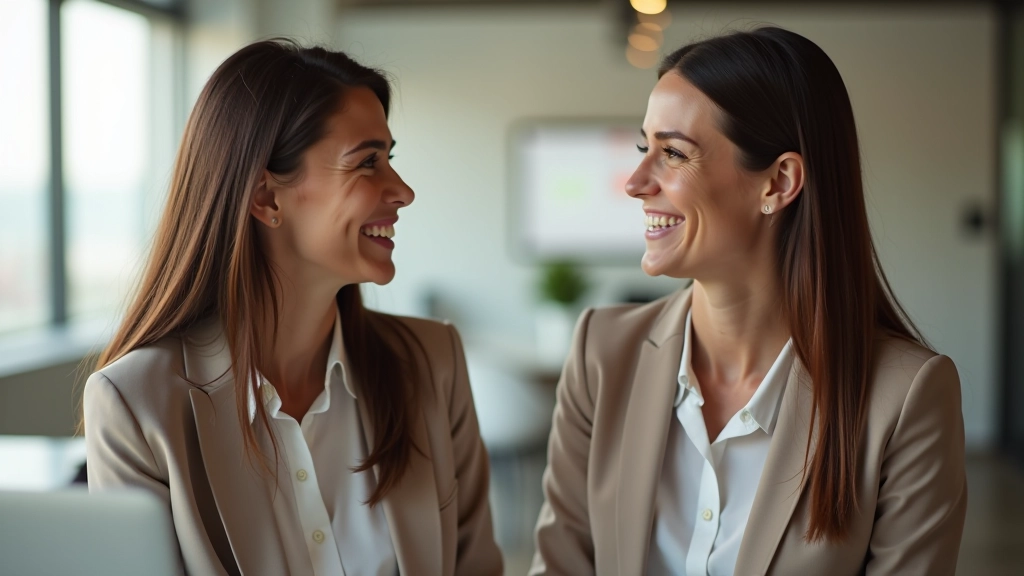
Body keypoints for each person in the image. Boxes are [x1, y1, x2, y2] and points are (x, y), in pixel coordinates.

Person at [530, 27, 966, 575]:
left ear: (779, 182)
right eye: (645, 148)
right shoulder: (601, 352)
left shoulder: (904, 398)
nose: (636, 182)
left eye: (673, 153)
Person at [83, 39, 502, 576]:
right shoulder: (135, 405)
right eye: (367, 162)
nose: (402, 191)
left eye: (389, 159)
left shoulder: (432, 362)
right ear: (266, 198)